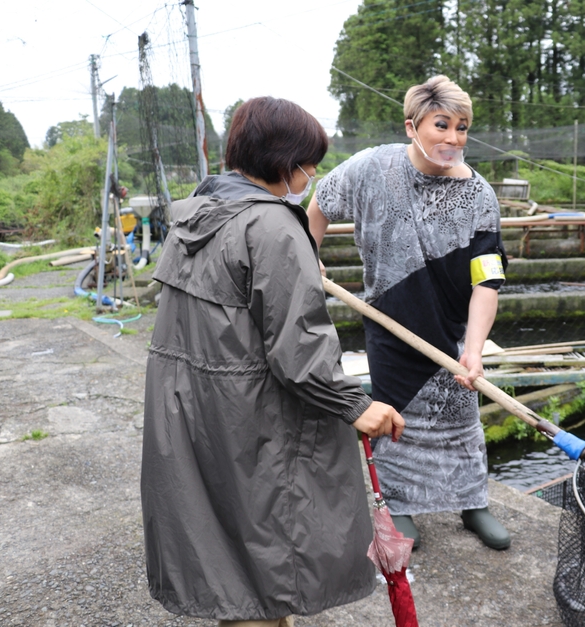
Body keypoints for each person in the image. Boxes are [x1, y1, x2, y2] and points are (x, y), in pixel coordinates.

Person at [140, 97, 405, 627]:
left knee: (225, 549)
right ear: (284, 161)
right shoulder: (273, 226)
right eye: (308, 164)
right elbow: (298, 349)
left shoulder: (198, 213)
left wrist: (301, 261)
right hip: (248, 419)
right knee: (267, 552)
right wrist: (356, 405)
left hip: (190, 408)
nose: (311, 176)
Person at [306, 75, 510, 551]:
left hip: (450, 326)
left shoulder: (479, 196)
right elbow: (320, 202)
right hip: (389, 318)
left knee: (462, 416)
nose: (453, 138)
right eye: (442, 125)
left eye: (462, 128)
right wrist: (307, 252)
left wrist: (474, 350)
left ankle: (472, 502)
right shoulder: (371, 168)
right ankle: (397, 504)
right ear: (412, 127)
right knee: (394, 415)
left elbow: (487, 280)